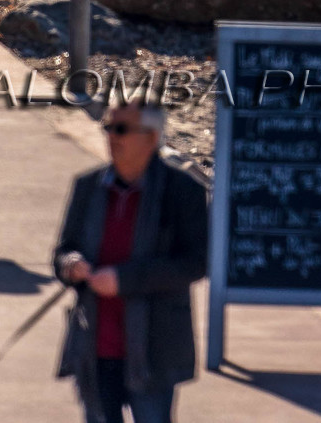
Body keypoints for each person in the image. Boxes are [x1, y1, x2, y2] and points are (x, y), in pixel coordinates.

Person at [54, 103, 209, 423]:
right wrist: (71, 265)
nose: (112, 137)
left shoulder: (183, 192)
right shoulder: (88, 186)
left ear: (151, 138)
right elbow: (63, 250)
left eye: (121, 130)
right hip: (95, 347)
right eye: (109, 128)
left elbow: (194, 264)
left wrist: (124, 280)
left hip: (153, 350)